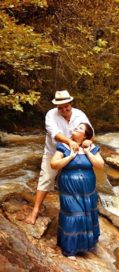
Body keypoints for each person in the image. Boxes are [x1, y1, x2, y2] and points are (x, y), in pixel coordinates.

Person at [25, 90, 93, 225]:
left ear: (70, 103)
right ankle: (35, 211)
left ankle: (74, 213)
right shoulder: (51, 115)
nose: (63, 109)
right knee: (46, 178)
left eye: (66, 106)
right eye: (60, 107)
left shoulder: (80, 115)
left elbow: (90, 133)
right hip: (52, 152)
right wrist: (69, 142)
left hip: (73, 154)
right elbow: (55, 134)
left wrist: (89, 141)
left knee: (70, 182)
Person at [51, 123, 104, 257]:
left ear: (85, 135)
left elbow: (99, 165)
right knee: (73, 214)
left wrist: (86, 151)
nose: (75, 128)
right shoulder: (63, 146)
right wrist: (70, 157)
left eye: (80, 128)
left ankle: (87, 245)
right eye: (76, 127)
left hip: (88, 189)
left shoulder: (91, 147)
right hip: (69, 188)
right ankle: (70, 250)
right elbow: (54, 164)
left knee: (87, 213)